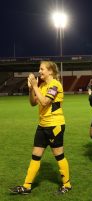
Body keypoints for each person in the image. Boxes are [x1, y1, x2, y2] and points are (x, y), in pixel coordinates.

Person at [9, 61, 71, 194]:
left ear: (50, 71)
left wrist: (35, 85)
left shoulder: (55, 85)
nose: (40, 71)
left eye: (42, 69)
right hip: (42, 126)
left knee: (59, 156)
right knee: (35, 156)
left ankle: (67, 184)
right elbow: (33, 103)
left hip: (55, 126)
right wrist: (32, 89)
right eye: (39, 69)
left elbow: (44, 102)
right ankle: (27, 186)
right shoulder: (42, 86)